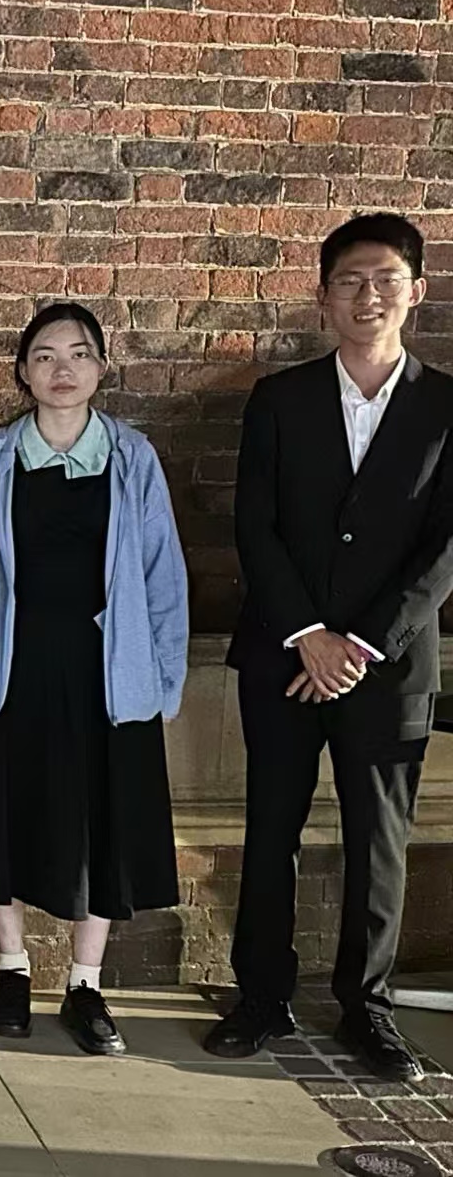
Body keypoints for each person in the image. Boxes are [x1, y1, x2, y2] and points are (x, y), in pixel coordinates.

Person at [205, 213, 453, 1084]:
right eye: (350, 280)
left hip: (389, 669)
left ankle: (367, 1008)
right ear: (322, 297)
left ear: (416, 292)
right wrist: (309, 635)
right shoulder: (280, 400)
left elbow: (444, 549)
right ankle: (260, 997)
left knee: (379, 841)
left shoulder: (446, 406)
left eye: (385, 279)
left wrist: (362, 645)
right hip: (284, 657)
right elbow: (255, 526)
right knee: (269, 826)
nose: (367, 294)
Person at [0, 303, 188, 1056]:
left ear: (101, 368)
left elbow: (163, 575)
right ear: (22, 372)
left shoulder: (131, 457)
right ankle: (12, 967)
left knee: (103, 823)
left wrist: (163, 680)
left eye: (79, 354)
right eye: (46, 356)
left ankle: (87, 983)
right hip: (13, 666)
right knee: (5, 813)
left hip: (108, 672)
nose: (62, 369)